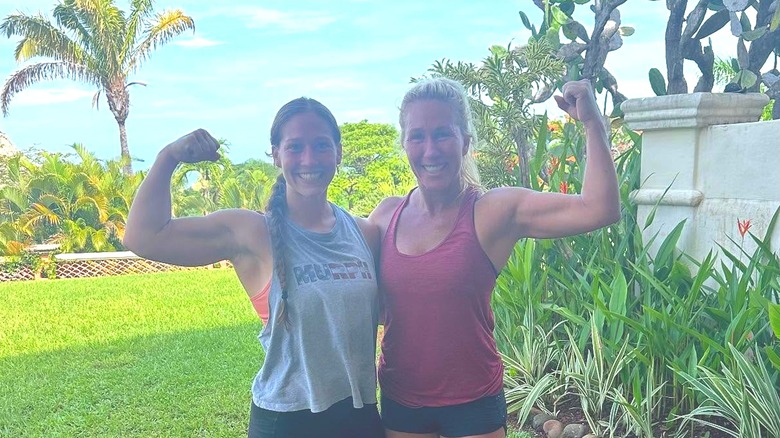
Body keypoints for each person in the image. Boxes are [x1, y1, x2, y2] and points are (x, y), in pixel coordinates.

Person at [369, 78, 620, 438]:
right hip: (402, 401)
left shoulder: (492, 212)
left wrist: (593, 123)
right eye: (417, 137)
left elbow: (599, 209)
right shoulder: (385, 216)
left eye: (442, 134)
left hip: (472, 403)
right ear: (404, 144)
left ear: (465, 142)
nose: (430, 150)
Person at [123, 97, 384, 438]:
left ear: (338, 153)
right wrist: (168, 157)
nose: (309, 159)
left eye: (321, 145)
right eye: (295, 147)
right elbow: (143, 237)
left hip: (360, 415)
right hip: (287, 421)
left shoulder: (364, 233)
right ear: (276, 155)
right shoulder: (252, 232)